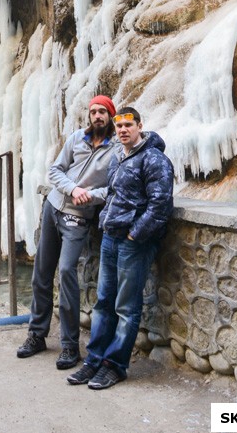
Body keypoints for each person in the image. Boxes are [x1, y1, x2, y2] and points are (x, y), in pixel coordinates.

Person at [66, 106, 174, 389]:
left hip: (132, 243)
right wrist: (105, 223)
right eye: (119, 126)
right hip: (111, 238)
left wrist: (135, 235)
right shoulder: (118, 158)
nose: (123, 130)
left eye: (128, 125)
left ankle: (115, 366)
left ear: (140, 126)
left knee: (126, 306)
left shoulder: (154, 160)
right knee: (104, 302)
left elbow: (160, 205)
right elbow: (113, 195)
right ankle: (94, 361)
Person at [17, 95, 117, 370]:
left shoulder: (117, 150)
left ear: (110, 115)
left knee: (66, 272)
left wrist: (90, 195)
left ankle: (70, 346)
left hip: (79, 217)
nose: (97, 116)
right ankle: (36, 335)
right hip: (53, 207)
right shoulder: (76, 139)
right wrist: (72, 189)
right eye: (94, 111)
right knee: (41, 272)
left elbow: (114, 187)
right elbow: (55, 170)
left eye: (102, 112)